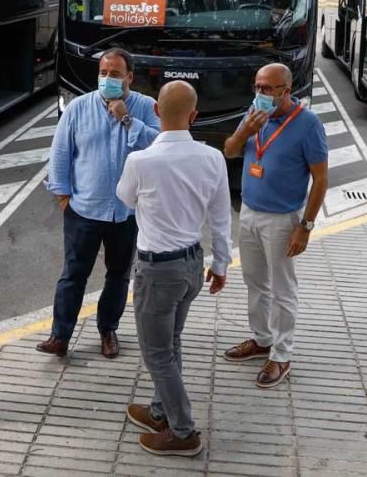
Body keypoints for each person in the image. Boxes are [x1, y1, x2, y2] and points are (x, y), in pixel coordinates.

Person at [116, 81, 232, 457]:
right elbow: (220, 216)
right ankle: (158, 410)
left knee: (157, 354)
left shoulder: (141, 161)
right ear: (194, 116)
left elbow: (124, 197)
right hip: (192, 265)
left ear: (155, 112)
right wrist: (221, 263)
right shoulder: (212, 157)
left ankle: (183, 431)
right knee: (172, 341)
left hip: (157, 272)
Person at [38, 49, 161, 358]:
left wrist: (127, 119)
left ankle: (108, 330)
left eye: (115, 74)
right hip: (83, 210)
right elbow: (61, 155)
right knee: (72, 275)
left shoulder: (147, 107)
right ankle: (60, 335)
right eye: (103, 73)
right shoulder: (78, 108)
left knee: (118, 276)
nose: (107, 79)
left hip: (127, 211)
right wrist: (64, 198)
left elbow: (159, 148)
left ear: (130, 77)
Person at [222, 63, 329, 388]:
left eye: (268, 88)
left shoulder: (308, 124)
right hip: (250, 212)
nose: (261, 94)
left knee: (283, 289)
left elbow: (321, 179)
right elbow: (229, 150)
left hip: (283, 219)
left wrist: (305, 227)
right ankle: (262, 339)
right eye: (257, 87)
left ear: (286, 89)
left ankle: (281, 355)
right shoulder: (254, 114)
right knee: (255, 282)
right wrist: (245, 131)